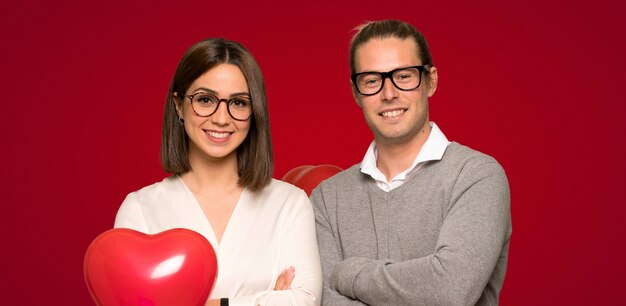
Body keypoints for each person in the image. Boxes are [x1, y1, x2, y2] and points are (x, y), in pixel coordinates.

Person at [311, 20, 511, 306]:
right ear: (356, 93)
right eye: (371, 80)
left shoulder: (476, 176)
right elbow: (322, 300)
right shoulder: (327, 199)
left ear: (431, 81)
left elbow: (450, 288)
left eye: (403, 76)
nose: (389, 93)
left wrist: (347, 274)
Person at [114, 38, 322, 306]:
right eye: (205, 99)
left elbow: (305, 300)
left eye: (238, 103)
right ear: (178, 105)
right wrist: (266, 299)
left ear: (254, 111)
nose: (221, 119)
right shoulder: (140, 209)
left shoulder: (289, 204)